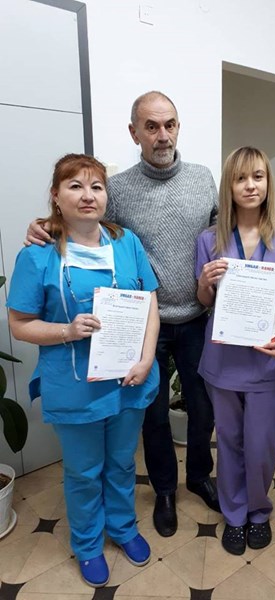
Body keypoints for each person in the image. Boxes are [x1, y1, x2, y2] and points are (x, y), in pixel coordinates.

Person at [26, 91, 220, 538]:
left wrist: (270, 220)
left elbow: (222, 225)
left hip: (196, 315)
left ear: (178, 127)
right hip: (143, 324)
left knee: (203, 406)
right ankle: (165, 490)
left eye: (169, 124)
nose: (162, 135)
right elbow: (85, 222)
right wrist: (43, 226)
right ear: (134, 133)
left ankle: (199, 476)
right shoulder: (120, 188)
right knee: (153, 415)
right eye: (151, 127)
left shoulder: (202, 177)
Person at [8, 154, 160, 587]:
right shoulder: (37, 255)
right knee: (83, 472)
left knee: (122, 463)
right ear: (56, 196)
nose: (88, 195)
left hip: (128, 379)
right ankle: (89, 544)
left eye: (96, 186)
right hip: (75, 386)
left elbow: (150, 303)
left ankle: (123, 528)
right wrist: (67, 330)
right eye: (75, 185)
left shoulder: (126, 242)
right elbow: (19, 324)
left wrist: (146, 358)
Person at [195, 147, 275, 555]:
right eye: (241, 178)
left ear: (268, 182)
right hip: (223, 360)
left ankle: (259, 509)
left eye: (258, 176)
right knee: (230, 441)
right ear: (229, 186)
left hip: (266, 358)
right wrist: (205, 281)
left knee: (263, 443)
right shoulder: (210, 240)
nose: (250, 185)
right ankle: (235, 514)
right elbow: (204, 301)